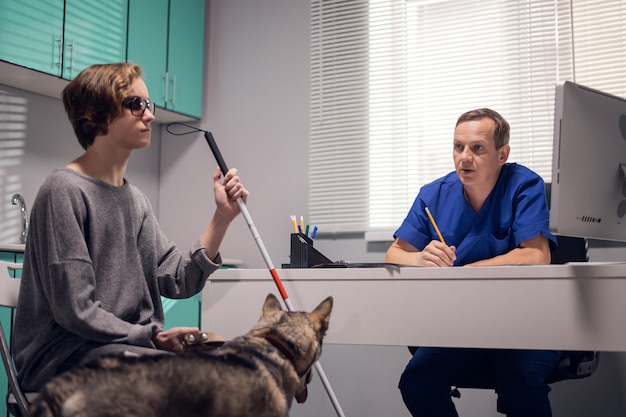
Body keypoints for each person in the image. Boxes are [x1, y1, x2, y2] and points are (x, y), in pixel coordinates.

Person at [13, 62, 249, 392]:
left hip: (125, 349)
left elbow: (179, 280)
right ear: (97, 113)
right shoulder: (64, 191)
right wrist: (152, 337)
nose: (149, 115)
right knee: (196, 383)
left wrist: (222, 217)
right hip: (63, 359)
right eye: (136, 104)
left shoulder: (134, 199)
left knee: (232, 369)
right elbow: (76, 312)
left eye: (148, 105)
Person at [385, 108, 560, 417]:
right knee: (417, 382)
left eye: (477, 148)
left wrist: (467, 271)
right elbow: (393, 254)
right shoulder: (434, 194)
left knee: (520, 383)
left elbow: (536, 255)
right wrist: (419, 257)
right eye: (458, 147)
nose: (465, 157)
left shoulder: (523, 185)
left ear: (502, 154)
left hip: (526, 324)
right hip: (465, 324)